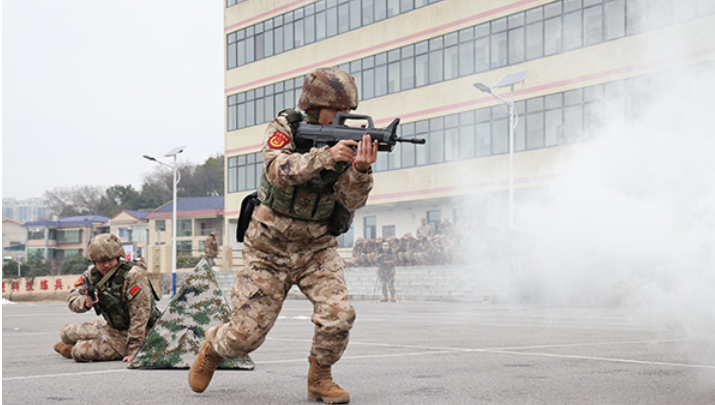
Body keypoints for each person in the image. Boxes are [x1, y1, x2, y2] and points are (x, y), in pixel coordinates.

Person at [189, 67, 379, 404]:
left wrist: (361, 170)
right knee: (245, 336)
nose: (343, 118)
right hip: (268, 248)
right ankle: (214, 348)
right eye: (338, 111)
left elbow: (351, 201)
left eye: (348, 112)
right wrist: (325, 156)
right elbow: (277, 171)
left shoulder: (345, 142)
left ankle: (320, 377)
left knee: (339, 315)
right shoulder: (286, 128)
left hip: (316, 247)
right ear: (315, 104)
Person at [54, 234, 161, 362]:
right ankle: (74, 345)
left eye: (110, 259)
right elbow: (72, 298)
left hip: (138, 333)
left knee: (80, 352)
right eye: (101, 261)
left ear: (117, 256)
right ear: (93, 260)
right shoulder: (91, 274)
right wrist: (85, 302)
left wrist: (135, 350)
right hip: (111, 327)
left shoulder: (133, 275)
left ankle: (72, 349)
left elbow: (140, 316)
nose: (106, 265)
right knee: (66, 333)